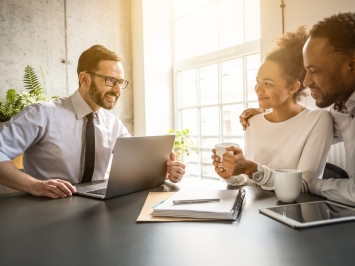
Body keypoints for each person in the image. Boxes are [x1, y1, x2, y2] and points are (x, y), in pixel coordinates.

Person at [0, 45, 185, 199]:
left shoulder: (114, 125)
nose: (118, 91)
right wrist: (36, 186)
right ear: (85, 79)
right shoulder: (42, 114)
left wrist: (164, 172)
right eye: (111, 80)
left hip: (96, 207)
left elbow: (137, 166)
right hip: (46, 209)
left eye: (120, 82)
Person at [241, 13, 355, 211]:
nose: (306, 82)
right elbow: (303, 125)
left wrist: (305, 184)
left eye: (314, 70)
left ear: (353, 65)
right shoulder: (340, 107)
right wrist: (268, 114)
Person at [211, 27, 333, 192]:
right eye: (258, 81)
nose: (257, 89)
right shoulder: (252, 122)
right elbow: (251, 182)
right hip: (254, 212)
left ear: (292, 87)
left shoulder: (318, 119)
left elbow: (303, 185)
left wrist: (250, 168)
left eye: (267, 83)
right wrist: (231, 174)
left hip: (293, 213)